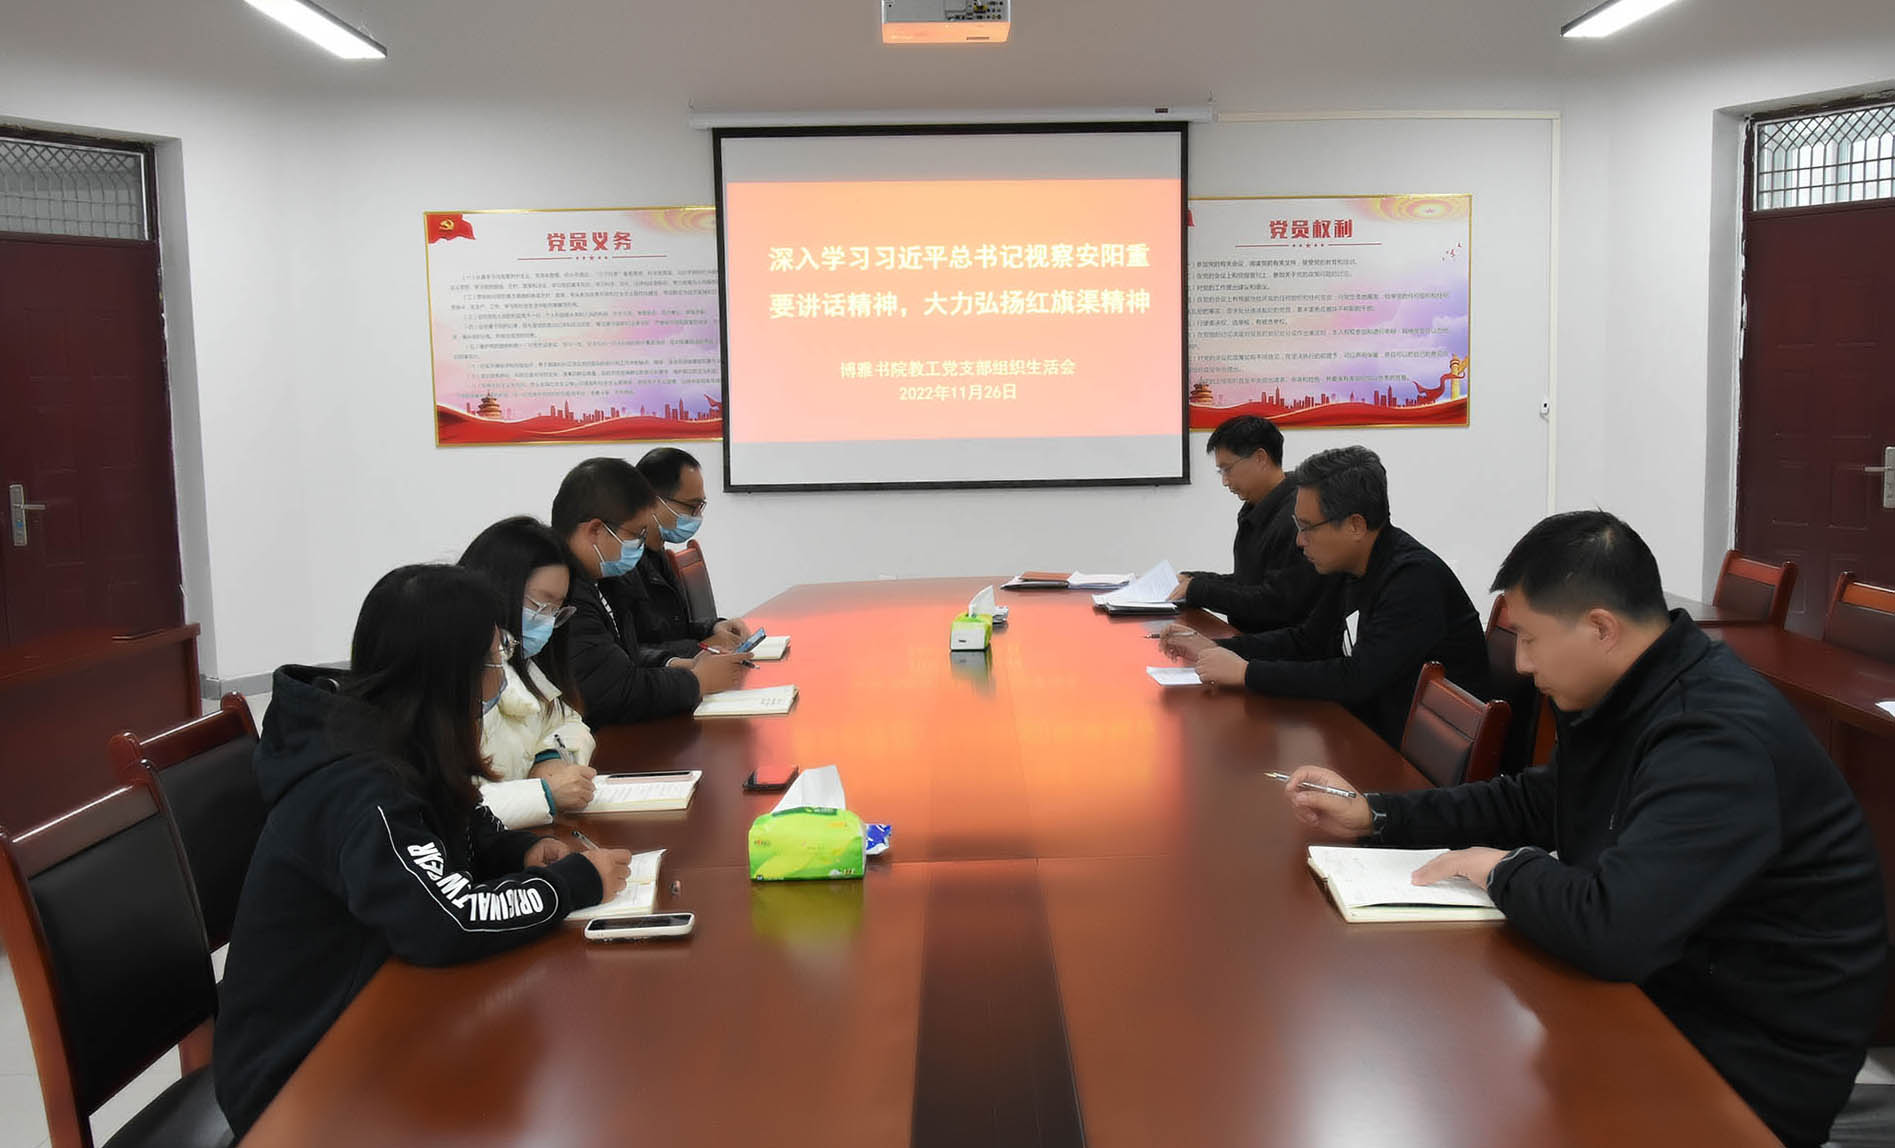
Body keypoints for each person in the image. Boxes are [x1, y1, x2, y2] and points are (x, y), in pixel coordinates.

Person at [1285, 511, 1886, 1147]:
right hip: (1666, 988)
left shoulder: (1714, 737)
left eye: (1531, 639)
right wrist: (1378, 813)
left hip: (1747, 1060)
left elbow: (1614, 931)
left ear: (1601, 628)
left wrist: (1502, 869)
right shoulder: (1628, 689)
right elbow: (1539, 800)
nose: (1519, 661)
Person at [214, 564, 634, 1138]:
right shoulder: (360, 787)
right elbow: (449, 919)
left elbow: (468, 825)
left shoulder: (401, 739)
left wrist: (522, 853)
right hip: (302, 1074)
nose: (501, 674)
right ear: (450, 675)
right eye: (495, 659)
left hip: (375, 1013)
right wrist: (576, 884)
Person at [1161, 444, 1489, 746]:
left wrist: (1247, 673)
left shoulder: (1413, 579)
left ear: (1355, 526)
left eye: (1307, 527)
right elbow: (1307, 641)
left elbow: (1358, 678)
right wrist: (1217, 648)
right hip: (1369, 731)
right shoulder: (1350, 564)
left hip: (1416, 758)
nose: (1299, 541)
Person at [551, 457, 746, 725]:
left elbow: (626, 659)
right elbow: (612, 692)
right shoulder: (561, 594)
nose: (641, 545)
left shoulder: (603, 580)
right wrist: (695, 681)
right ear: (595, 530)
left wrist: (680, 664)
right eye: (635, 534)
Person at [459, 516, 599, 828]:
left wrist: (547, 757)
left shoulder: (523, 665)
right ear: (498, 589)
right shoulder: (453, 675)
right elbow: (446, 808)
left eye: (556, 610)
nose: (547, 621)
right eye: (538, 605)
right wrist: (543, 795)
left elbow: (567, 721)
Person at [1169, 415, 1326, 632]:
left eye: (1228, 469)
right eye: (1221, 472)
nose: (1225, 481)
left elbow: (1276, 602)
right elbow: (1249, 583)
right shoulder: (1256, 508)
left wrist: (1200, 590)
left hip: (1283, 648)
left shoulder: (1296, 516)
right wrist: (1195, 580)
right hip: (1253, 641)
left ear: (1260, 458)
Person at [628, 446, 749, 662]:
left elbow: (676, 630)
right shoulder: (623, 564)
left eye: (701, 506)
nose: (697, 516)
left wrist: (715, 627)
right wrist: (701, 648)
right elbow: (632, 650)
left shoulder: (658, 553)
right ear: (652, 500)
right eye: (692, 506)